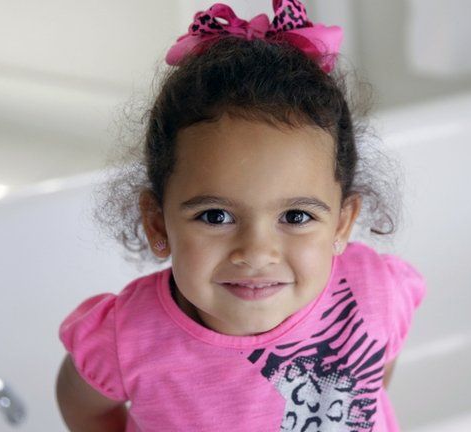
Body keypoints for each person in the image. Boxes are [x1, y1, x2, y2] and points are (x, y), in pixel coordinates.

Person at [55, 1, 426, 430]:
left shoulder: (374, 292)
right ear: (158, 224)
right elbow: (84, 406)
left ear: (342, 224)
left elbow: (378, 375)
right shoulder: (127, 338)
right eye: (215, 216)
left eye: (297, 216)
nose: (256, 252)